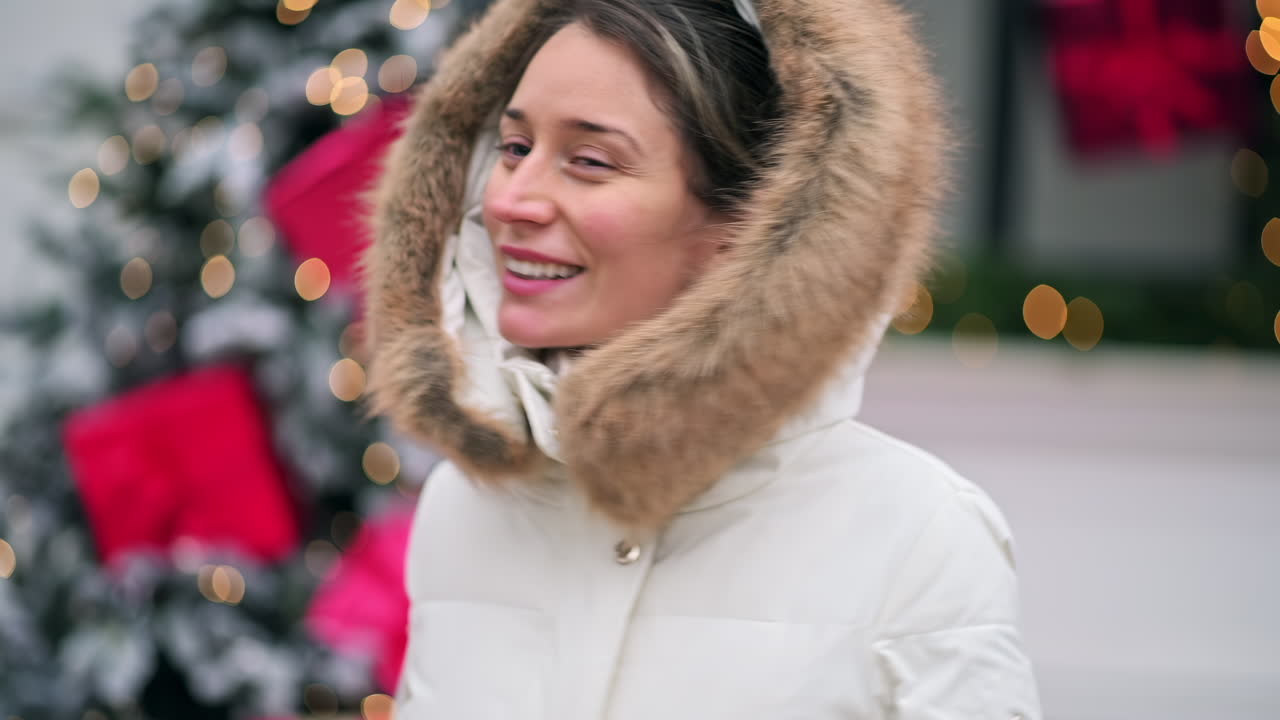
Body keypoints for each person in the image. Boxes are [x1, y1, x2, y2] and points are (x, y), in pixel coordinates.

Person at [363, 0, 1042, 717]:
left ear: (751, 223)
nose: (511, 201)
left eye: (589, 162)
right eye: (513, 148)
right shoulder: (465, 509)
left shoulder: (918, 538)